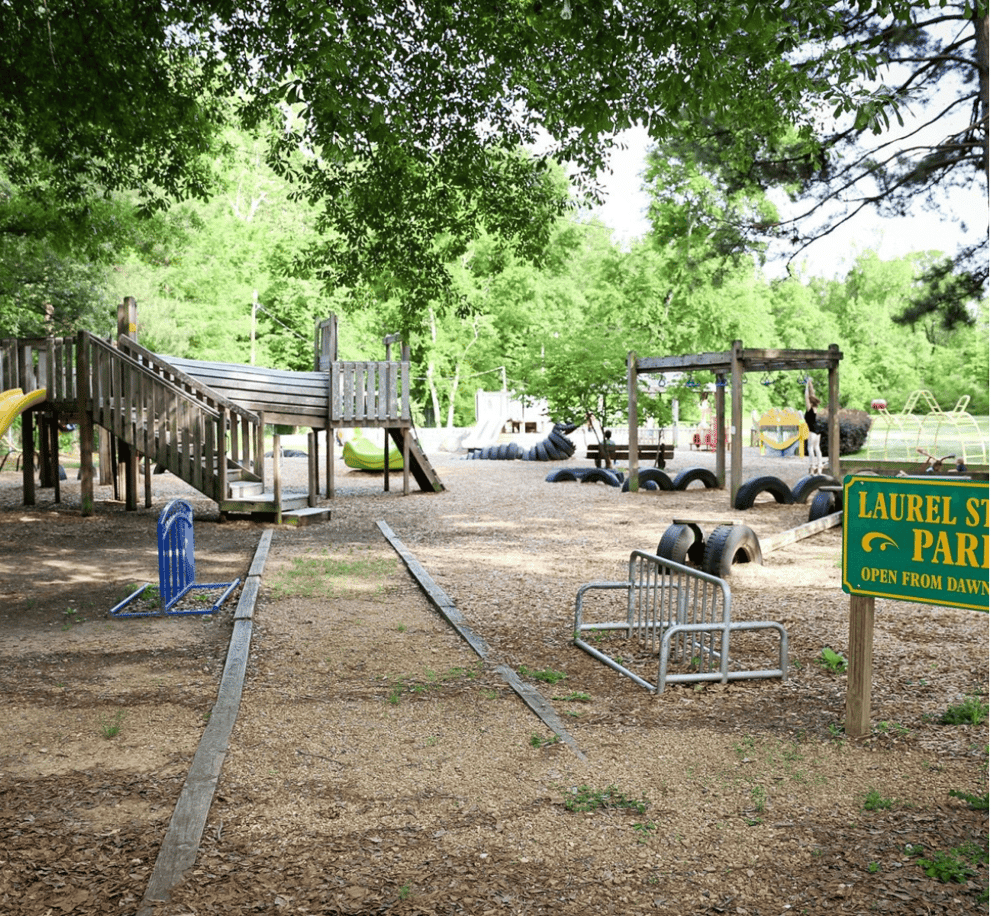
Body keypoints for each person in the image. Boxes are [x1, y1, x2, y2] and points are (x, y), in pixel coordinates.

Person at [804, 378, 822, 475]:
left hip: (812, 431)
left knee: (810, 448)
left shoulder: (809, 408)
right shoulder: (815, 407)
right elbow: (812, 394)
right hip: (817, 431)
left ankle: (812, 466)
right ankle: (819, 466)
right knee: (817, 448)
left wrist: (806, 385)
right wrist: (810, 383)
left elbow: (806, 396)